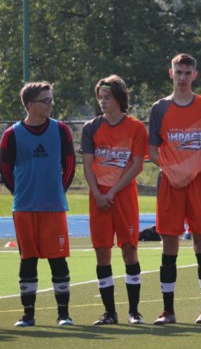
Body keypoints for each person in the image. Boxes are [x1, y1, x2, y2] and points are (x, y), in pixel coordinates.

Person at [148, 53, 201, 324]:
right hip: (170, 183)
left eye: (187, 72)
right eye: (178, 72)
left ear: (195, 75)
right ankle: (168, 311)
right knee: (169, 244)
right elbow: (152, 150)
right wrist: (172, 171)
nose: (182, 77)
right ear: (170, 73)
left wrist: (193, 171)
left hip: (198, 184)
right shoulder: (159, 108)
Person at [0, 82, 76, 327]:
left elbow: (70, 165)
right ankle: (28, 315)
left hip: (53, 207)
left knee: (58, 259)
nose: (51, 104)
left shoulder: (61, 130)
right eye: (46, 100)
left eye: (51, 99)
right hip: (24, 208)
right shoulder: (11, 134)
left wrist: (56, 192)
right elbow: (4, 170)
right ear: (30, 105)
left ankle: (63, 314)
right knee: (28, 260)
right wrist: (21, 192)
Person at [80, 76, 148, 325]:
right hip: (98, 198)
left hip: (123, 196)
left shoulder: (136, 128)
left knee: (129, 250)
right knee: (101, 252)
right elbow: (87, 165)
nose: (102, 101)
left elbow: (137, 165)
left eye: (107, 97)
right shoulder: (91, 128)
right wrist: (98, 193)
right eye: (100, 97)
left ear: (119, 98)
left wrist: (112, 191)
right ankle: (109, 312)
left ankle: (133, 311)